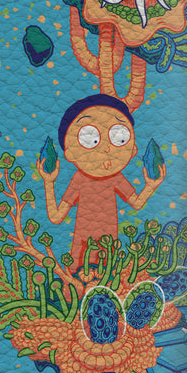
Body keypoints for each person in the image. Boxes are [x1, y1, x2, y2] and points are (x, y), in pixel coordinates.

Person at [36, 94, 166, 269]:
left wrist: (151, 186)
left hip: (109, 253)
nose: (106, 148)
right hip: (81, 255)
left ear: (133, 149)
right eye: (89, 139)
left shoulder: (115, 177)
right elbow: (56, 217)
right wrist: (49, 182)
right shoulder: (79, 179)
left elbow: (136, 203)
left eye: (120, 137)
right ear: (70, 152)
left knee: (108, 275)